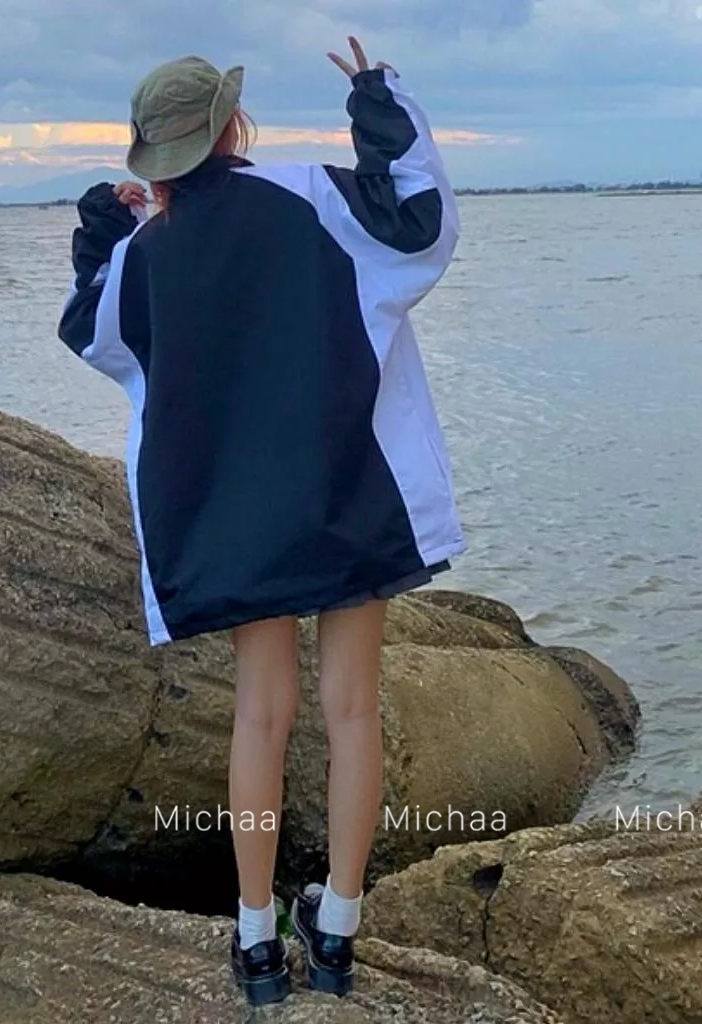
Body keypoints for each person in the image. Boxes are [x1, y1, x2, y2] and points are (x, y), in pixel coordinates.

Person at [57, 36, 465, 1006]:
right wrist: (374, 97)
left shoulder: (146, 255)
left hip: (237, 520)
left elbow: (90, 327)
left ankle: (253, 944)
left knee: (259, 714)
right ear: (232, 125)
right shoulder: (312, 196)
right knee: (353, 709)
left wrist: (103, 227)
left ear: (154, 155)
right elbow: (420, 226)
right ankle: (337, 936)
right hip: (346, 493)